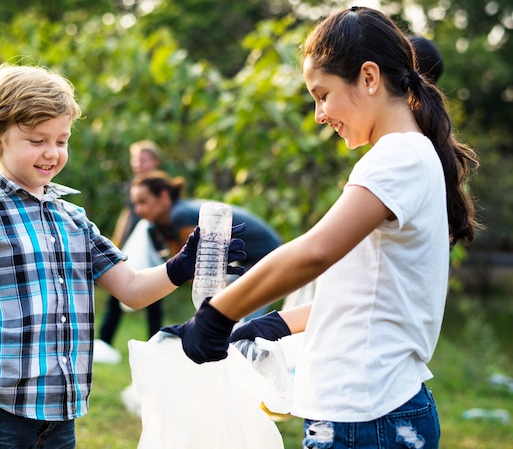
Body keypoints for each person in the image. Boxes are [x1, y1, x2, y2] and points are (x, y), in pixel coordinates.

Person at [164, 7, 480, 449]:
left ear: (369, 78)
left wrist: (219, 314)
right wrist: (269, 324)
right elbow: (362, 296)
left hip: (367, 419)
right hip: (373, 412)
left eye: (322, 94)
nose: (318, 114)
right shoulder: (406, 155)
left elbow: (315, 251)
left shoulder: (398, 157)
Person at [0, 63, 246, 449]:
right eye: (37, 140)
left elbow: (130, 288)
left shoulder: (73, 218)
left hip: (61, 419)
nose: (51, 153)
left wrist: (184, 263)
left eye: (61, 141)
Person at [130, 169, 282, 318]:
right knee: (223, 313)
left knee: (236, 317)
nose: (137, 210)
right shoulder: (163, 222)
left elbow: (204, 268)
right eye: (135, 204)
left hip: (267, 255)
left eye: (143, 202)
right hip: (247, 259)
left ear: (163, 196)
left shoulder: (180, 216)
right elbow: (185, 269)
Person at [94, 140, 165, 364]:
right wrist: (117, 242)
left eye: (142, 159)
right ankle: (104, 341)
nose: (137, 164)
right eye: (135, 159)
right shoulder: (134, 184)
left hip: (152, 248)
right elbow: (127, 213)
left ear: (154, 161)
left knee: (154, 296)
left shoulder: (160, 186)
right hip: (131, 248)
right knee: (118, 291)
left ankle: (156, 347)